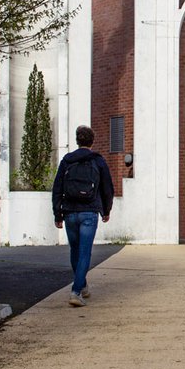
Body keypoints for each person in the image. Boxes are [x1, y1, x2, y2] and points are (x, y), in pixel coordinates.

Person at [53, 125, 115, 307]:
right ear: (92, 141)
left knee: (75, 250)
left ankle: (83, 285)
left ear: (77, 140)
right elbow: (107, 188)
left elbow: (57, 188)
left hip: (70, 212)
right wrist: (106, 210)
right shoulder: (98, 161)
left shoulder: (67, 160)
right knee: (85, 252)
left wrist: (58, 214)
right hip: (89, 212)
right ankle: (76, 290)